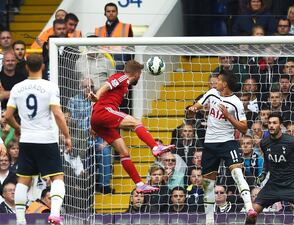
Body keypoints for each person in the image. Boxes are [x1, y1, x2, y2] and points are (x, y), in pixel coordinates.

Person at [3, 54, 72, 225]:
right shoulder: (50, 87)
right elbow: (57, 113)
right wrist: (67, 135)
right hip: (46, 139)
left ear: (26, 67)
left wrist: (18, 128)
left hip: (27, 140)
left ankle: (20, 220)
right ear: (42, 67)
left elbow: (8, 115)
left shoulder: (17, 88)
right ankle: (55, 214)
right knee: (57, 177)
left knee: (23, 180)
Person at [88, 59, 175, 193]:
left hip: (98, 118)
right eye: (140, 74)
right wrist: (96, 96)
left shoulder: (124, 84)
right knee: (136, 122)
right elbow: (106, 85)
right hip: (104, 112)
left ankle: (139, 184)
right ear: (137, 73)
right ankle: (155, 147)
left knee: (124, 153)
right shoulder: (122, 77)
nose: (140, 77)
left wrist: (92, 123)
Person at [188, 70, 255, 225]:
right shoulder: (212, 93)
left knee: (237, 173)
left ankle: (250, 208)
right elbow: (198, 105)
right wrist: (193, 109)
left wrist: (229, 116)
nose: (215, 82)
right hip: (210, 144)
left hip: (227, 142)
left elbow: (244, 128)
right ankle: (209, 220)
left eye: (217, 80)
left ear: (224, 84)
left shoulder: (236, 102)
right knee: (208, 184)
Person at [245, 112, 294, 225]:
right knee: (252, 211)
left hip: (292, 183)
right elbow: (267, 161)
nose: (271, 125)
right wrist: (263, 174)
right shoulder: (264, 143)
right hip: (274, 184)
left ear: (280, 125)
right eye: (269, 123)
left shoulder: (291, 141)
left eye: (274, 123)